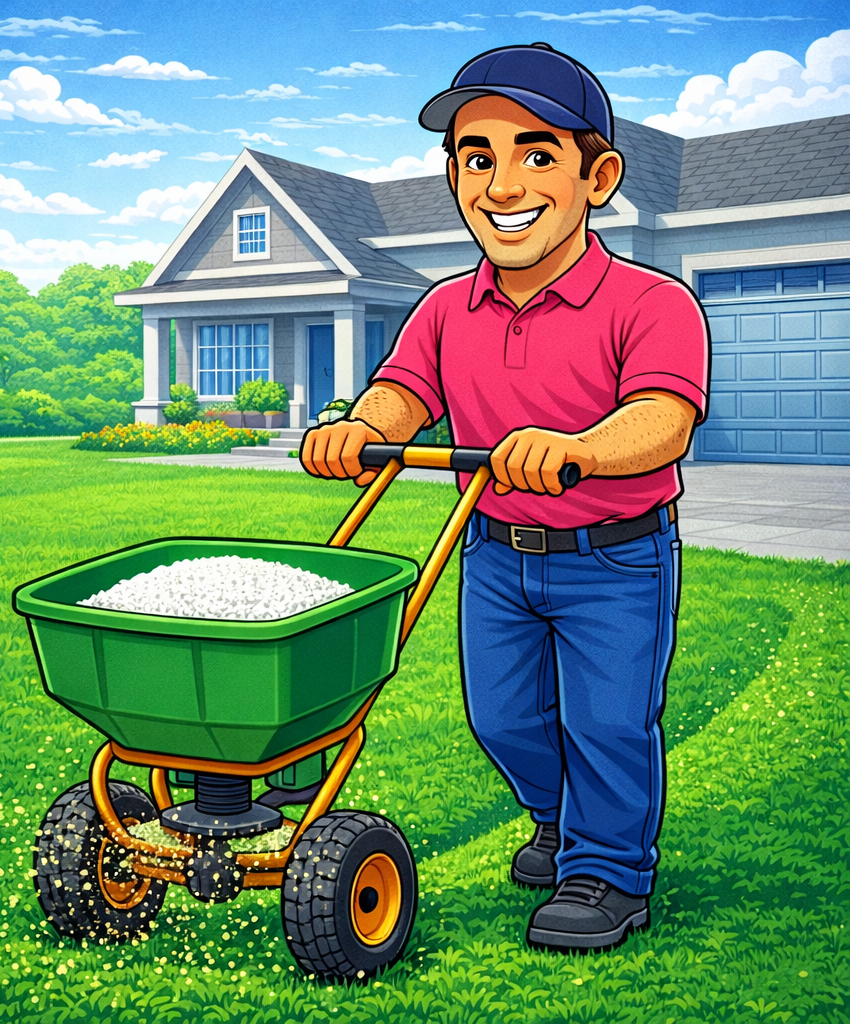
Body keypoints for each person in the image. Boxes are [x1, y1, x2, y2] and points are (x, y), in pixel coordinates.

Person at [300, 43, 710, 952]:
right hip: (493, 550)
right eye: (478, 158)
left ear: (596, 176)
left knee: (606, 719)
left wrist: (578, 449)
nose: (504, 183)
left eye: (536, 155)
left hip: (616, 555)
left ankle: (608, 873)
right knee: (504, 716)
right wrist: (356, 427)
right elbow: (405, 391)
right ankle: (559, 819)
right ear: (452, 178)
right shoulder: (447, 307)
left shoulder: (651, 304)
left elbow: (663, 419)